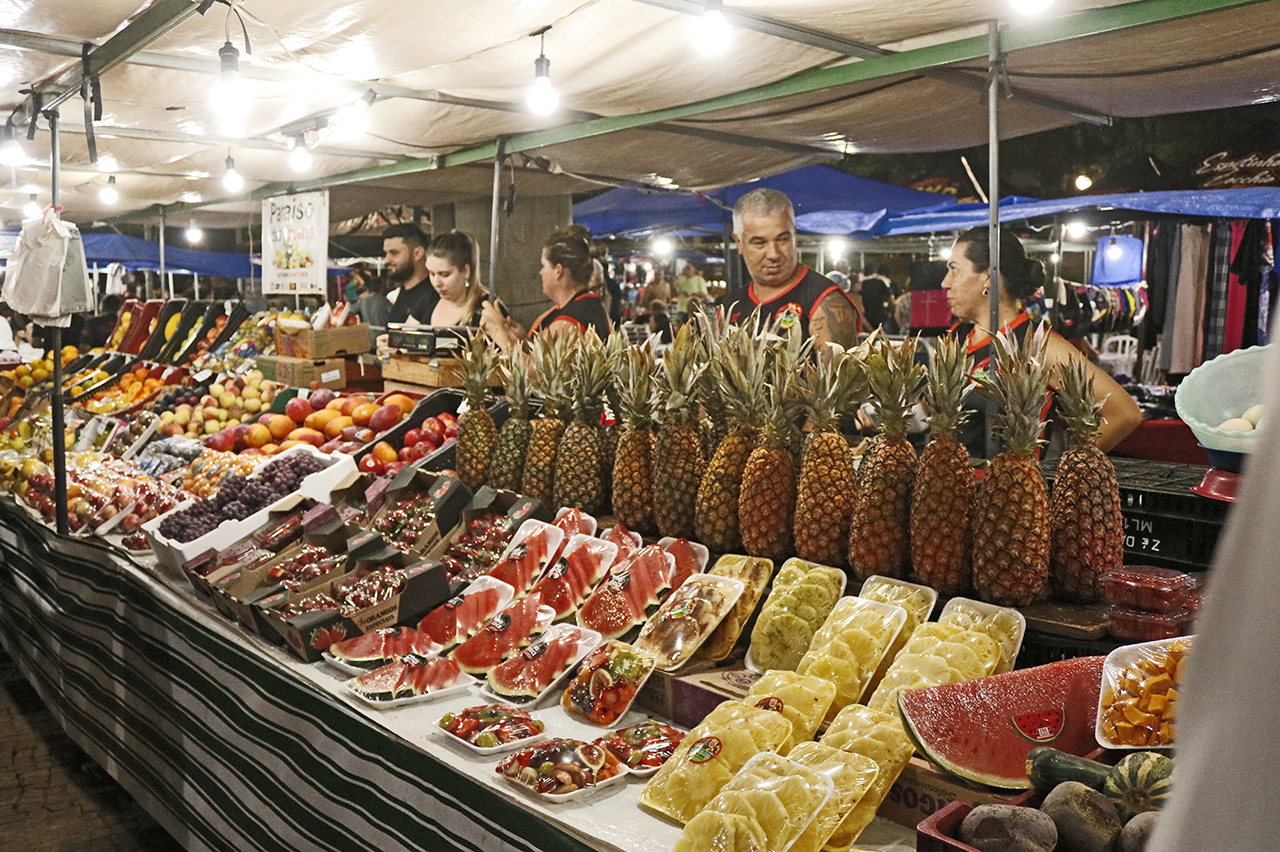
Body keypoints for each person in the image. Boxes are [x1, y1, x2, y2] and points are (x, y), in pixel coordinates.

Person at [941, 226, 1142, 456]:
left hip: (1012, 487)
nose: (945, 283)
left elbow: (1124, 414)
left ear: (988, 277)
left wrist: (1067, 468)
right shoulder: (955, 339)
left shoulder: (1038, 345)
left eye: (954, 270)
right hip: (952, 485)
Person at [720, 188, 862, 350]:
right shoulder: (730, 307)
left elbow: (840, 373)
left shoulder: (823, 300)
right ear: (739, 243)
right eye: (759, 242)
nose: (773, 254)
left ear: (794, 234)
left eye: (783, 239)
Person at [481, 224, 611, 349]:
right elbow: (544, 361)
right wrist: (524, 341)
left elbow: (534, 370)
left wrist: (498, 333)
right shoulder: (586, 305)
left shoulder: (567, 323)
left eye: (544, 266)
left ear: (558, 271)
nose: (540, 272)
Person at [425, 231, 509, 328]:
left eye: (445, 274)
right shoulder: (430, 298)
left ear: (466, 271)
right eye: (431, 273)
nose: (436, 283)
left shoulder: (489, 309)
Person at [382, 224, 437, 326]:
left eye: (394, 253)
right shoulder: (403, 291)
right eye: (386, 253)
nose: (386, 260)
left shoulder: (434, 295)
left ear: (418, 253)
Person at [859, 263, 898, 331]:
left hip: (866, 320)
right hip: (881, 318)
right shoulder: (882, 282)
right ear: (875, 272)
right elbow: (891, 300)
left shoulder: (861, 285)